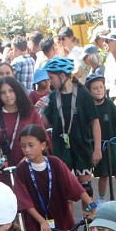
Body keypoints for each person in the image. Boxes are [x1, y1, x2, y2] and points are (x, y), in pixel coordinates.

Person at [41, 58, 101, 200]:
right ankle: (69, 222)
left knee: (86, 189)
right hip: (61, 150)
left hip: (82, 147)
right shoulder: (52, 97)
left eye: (51, 78)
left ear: (62, 75)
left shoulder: (83, 94)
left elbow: (95, 122)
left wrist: (97, 149)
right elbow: (45, 124)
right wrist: (40, 110)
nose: (50, 82)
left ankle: (89, 220)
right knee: (65, 192)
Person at [86, 73, 116, 213]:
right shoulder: (89, 107)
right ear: (89, 91)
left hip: (113, 146)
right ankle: (101, 200)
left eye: (101, 87)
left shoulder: (109, 104)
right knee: (103, 175)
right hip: (99, 147)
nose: (99, 90)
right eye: (95, 88)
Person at [0, 77, 46, 176]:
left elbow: (43, 142)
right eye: (3, 92)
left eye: (11, 91)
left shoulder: (31, 114)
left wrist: (26, 161)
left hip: (32, 171)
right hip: (6, 174)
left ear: (17, 91)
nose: (7, 95)